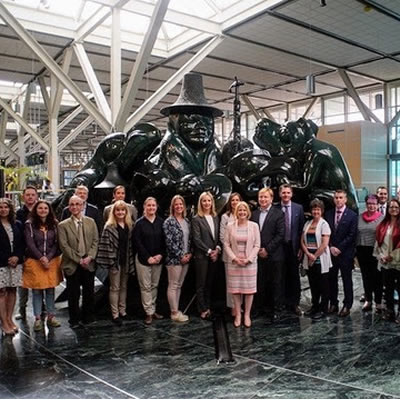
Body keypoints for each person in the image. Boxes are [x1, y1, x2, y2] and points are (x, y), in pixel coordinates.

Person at [58, 195, 99, 328]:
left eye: (77, 204)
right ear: (69, 207)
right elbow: (64, 246)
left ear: (82, 206)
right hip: (72, 264)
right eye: (72, 204)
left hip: (89, 263)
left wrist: (89, 257)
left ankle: (88, 317)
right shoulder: (63, 225)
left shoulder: (91, 222)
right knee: (73, 294)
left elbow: (95, 241)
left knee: (89, 292)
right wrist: (78, 259)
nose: (75, 207)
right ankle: (74, 319)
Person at [22, 200, 63, 331]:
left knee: (50, 290)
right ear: (36, 210)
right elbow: (30, 243)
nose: (43, 210)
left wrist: (48, 257)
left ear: (49, 210)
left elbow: (57, 243)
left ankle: (51, 316)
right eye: (40, 208)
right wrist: (41, 258)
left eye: (46, 208)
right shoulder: (29, 224)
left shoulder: (55, 224)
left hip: (52, 260)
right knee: (36, 291)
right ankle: (38, 318)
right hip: (35, 261)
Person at [97, 200, 135, 326]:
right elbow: (105, 245)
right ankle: (115, 314)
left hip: (126, 261)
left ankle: (123, 311)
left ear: (126, 212)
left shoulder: (130, 226)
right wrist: (112, 261)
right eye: (118, 210)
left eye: (123, 210)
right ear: (114, 212)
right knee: (115, 288)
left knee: (124, 287)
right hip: (115, 262)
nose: (120, 212)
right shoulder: (109, 227)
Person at [224, 201, 260, 328]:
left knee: (249, 291)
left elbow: (257, 245)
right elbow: (226, 244)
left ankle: (247, 315)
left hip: (249, 263)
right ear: (236, 212)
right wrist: (234, 258)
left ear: (248, 212)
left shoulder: (254, 226)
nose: (242, 212)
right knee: (236, 290)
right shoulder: (230, 226)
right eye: (240, 210)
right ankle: (238, 314)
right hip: (234, 263)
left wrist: (249, 259)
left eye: (244, 210)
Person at [251, 188, 285, 321]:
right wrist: (258, 250)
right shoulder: (253, 214)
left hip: (275, 255)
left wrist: (267, 249)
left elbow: (280, 234)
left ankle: (276, 310)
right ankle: (260, 308)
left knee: (276, 283)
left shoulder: (278, 214)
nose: (263, 200)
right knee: (260, 282)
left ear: (271, 198)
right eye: (261, 197)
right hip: (258, 255)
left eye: (265, 197)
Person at [325, 189, 358, 317]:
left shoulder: (352, 215)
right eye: (336, 197)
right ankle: (333, 303)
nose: (338, 200)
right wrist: (332, 247)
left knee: (346, 280)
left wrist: (339, 248)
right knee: (331, 279)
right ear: (334, 199)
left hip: (345, 253)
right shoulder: (328, 214)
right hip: (331, 252)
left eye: (341, 197)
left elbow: (352, 235)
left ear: (345, 200)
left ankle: (347, 305)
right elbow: (326, 232)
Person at [133, 197, 165, 325]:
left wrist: (160, 255)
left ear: (156, 207)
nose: (151, 208)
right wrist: (147, 257)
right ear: (144, 207)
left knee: (154, 285)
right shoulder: (139, 224)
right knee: (145, 287)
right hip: (143, 260)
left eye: (153, 205)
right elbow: (137, 243)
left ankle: (153, 309)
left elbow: (164, 241)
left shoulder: (161, 222)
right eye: (149, 206)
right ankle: (148, 312)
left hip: (158, 260)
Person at [192, 191, 221, 320]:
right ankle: (202, 309)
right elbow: (196, 239)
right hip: (202, 257)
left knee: (210, 283)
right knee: (201, 284)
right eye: (204, 201)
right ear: (200, 202)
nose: (207, 203)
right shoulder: (196, 219)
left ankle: (208, 306)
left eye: (209, 201)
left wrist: (217, 250)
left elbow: (218, 237)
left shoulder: (216, 217)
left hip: (214, 256)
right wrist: (210, 251)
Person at [301, 199, 332, 319]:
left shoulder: (324, 225)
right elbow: (302, 240)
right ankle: (315, 306)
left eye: (318, 209)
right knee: (313, 285)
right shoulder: (307, 223)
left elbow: (324, 244)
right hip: (309, 258)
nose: (315, 211)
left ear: (322, 211)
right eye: (314, 209)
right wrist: (308, 254)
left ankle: (323, 309)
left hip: (320, 259)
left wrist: (314, 256)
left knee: (323, 285)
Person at [163, 195, 192, 323]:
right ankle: (173, 312)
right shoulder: (168, 222)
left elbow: (189, 240)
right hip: (174, 259)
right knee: (173, 285)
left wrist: (189, 254)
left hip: (186, 257)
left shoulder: (187, 221)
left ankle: (177, 309)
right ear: (172, 206)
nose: (179, 206)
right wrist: (180, 256)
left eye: (181, 204)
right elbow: (169, 242)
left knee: (179, 285)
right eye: (176, 204)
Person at [277, 184, 305, 315]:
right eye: (283, 193)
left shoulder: (298, 208)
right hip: (279, 248)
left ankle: (295, 303)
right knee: (280, 275)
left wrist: (300, 247)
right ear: (280, 194)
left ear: (292, 194)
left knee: (294, 276)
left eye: (288, 193)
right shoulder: (275, 208)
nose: (286, 195)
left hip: (293, 247)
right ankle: (282, 303)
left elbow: (301, 230)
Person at [0, 198, 24, 336]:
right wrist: (6, 259)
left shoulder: (17, 224)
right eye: (1, 207)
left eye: (6, 207)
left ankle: (9, 319)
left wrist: (17, 257)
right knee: (1, 292)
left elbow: (21, 243)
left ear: (10, 209)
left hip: (15, 263)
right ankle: (3, 322)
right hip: (1, 264)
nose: (3, 209)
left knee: (12, 290)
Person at [356, 194, 384, 313]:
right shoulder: (359, 217)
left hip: (376, 251)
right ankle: (368, 300)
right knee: (365, 276)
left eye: (373, 204)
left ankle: (378, 302)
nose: (371, 206)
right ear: (366, 204)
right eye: (369, 204)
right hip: (362, 250)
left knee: (377, 277)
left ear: (377, 205)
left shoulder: (382, 218)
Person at [373, 199, 400, 322]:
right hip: (385, 262)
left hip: (398, 262)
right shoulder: (383, 224)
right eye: (391, 207)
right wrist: (381, 256)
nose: (393, 209)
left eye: (396, 207)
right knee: (388, 288)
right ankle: (390, 311)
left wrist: (392, 256)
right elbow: (379, 243)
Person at [15, 185, 38, 321]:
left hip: (39, 252)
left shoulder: (41, 210)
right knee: (22, 283)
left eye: (32, 194)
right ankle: (22, 308)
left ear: (36, 196)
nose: (30, 197)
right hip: (24, 252)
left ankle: (41, 308)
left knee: (38, 282)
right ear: (24, 197)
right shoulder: (18, 213)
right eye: (28, 195)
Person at [220, 192, 242, 316]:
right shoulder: (225, 217)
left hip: (244, 255)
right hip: (229, 256)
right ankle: (233, 306)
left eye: (237, 200)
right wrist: (233, 252)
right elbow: (223, 237)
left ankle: (241, 306)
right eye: (232, 200)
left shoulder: (244, 214)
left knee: (242, 282)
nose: (234, 202)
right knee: (231, 283)